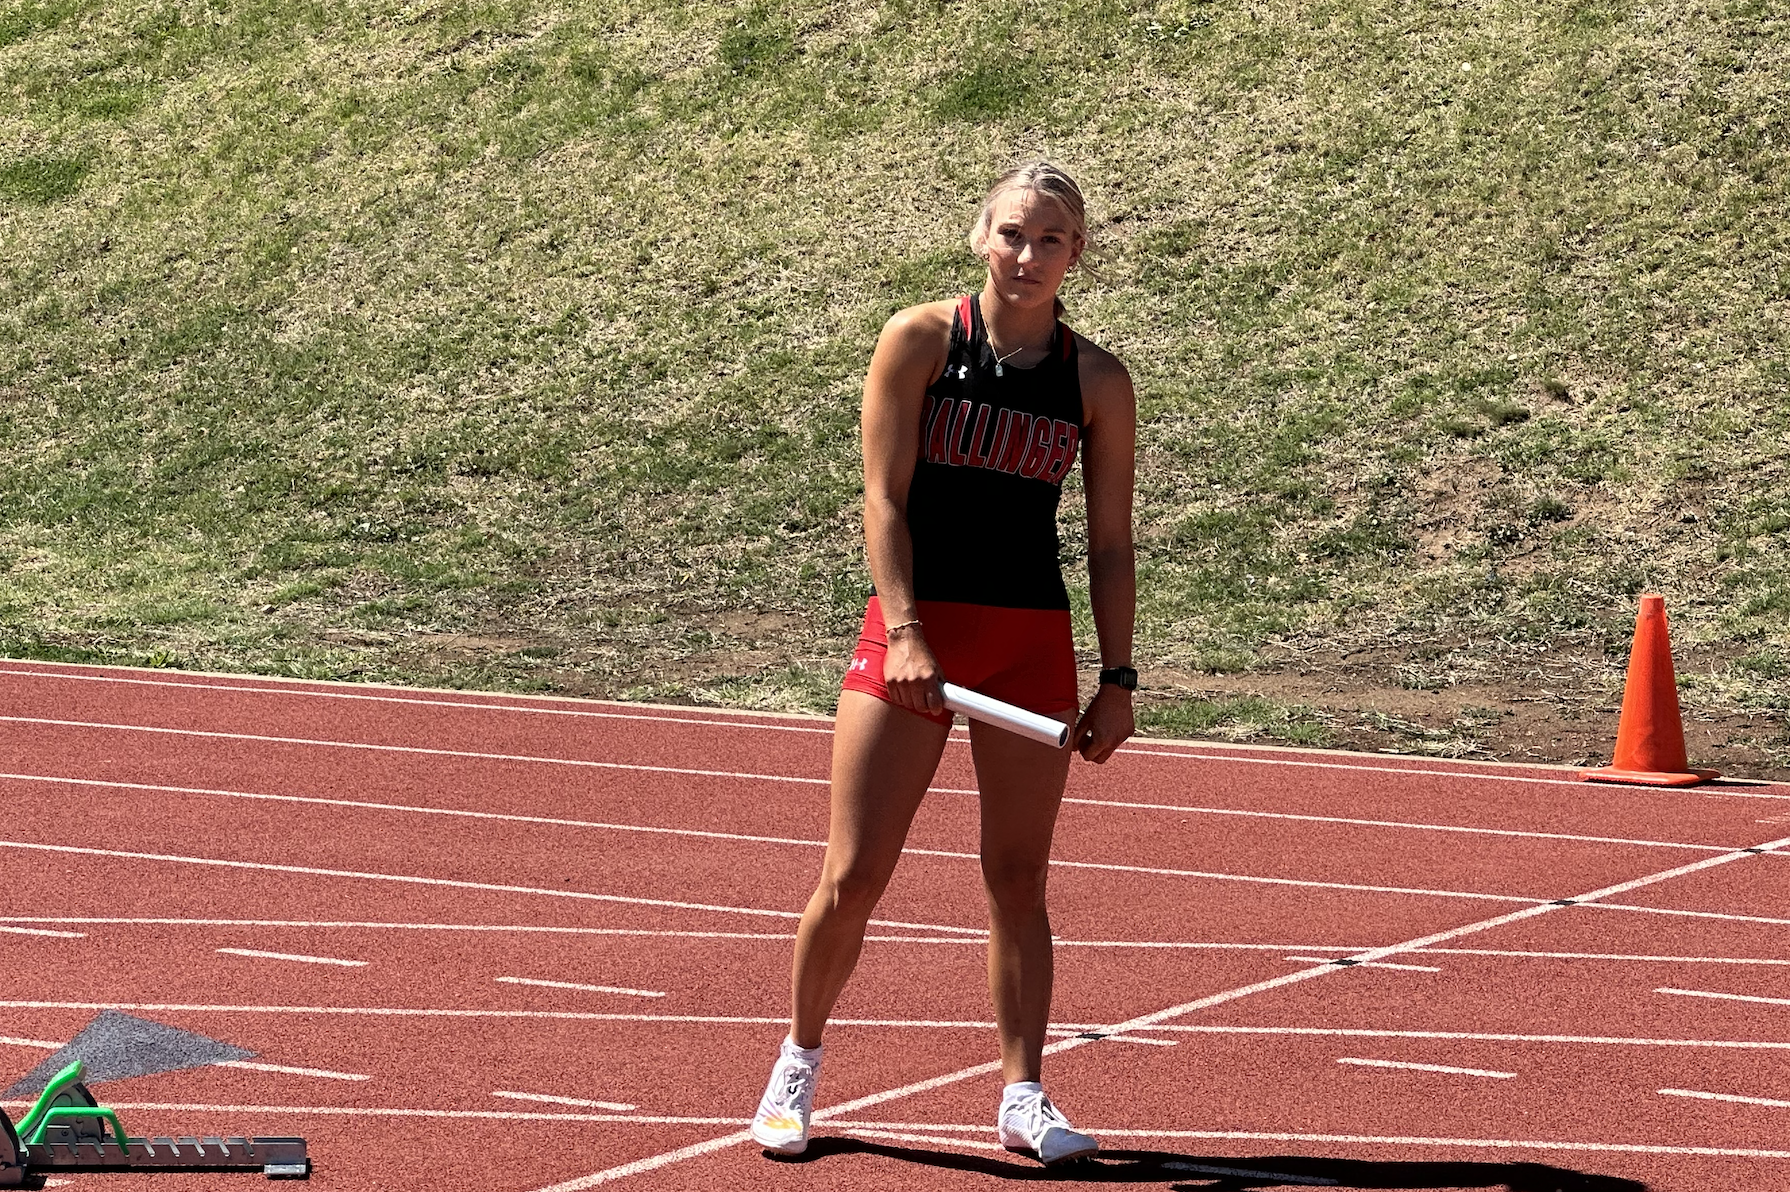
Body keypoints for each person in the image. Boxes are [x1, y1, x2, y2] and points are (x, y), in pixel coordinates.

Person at [749, 161, 1137, 1166]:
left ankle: (1022, 1095)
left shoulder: (1095, 379)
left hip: (1026, 639)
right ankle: (794, 1067)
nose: (1025, 254)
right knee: (855, 871)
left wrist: (1118, 676)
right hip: (912, 634)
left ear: (1075, 253)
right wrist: (906, 627)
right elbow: (882, 499)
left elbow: (1107, 542)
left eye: (1049, 239)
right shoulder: (920, 340)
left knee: (1017, 878)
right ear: (979, 236)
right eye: (1011, 233)